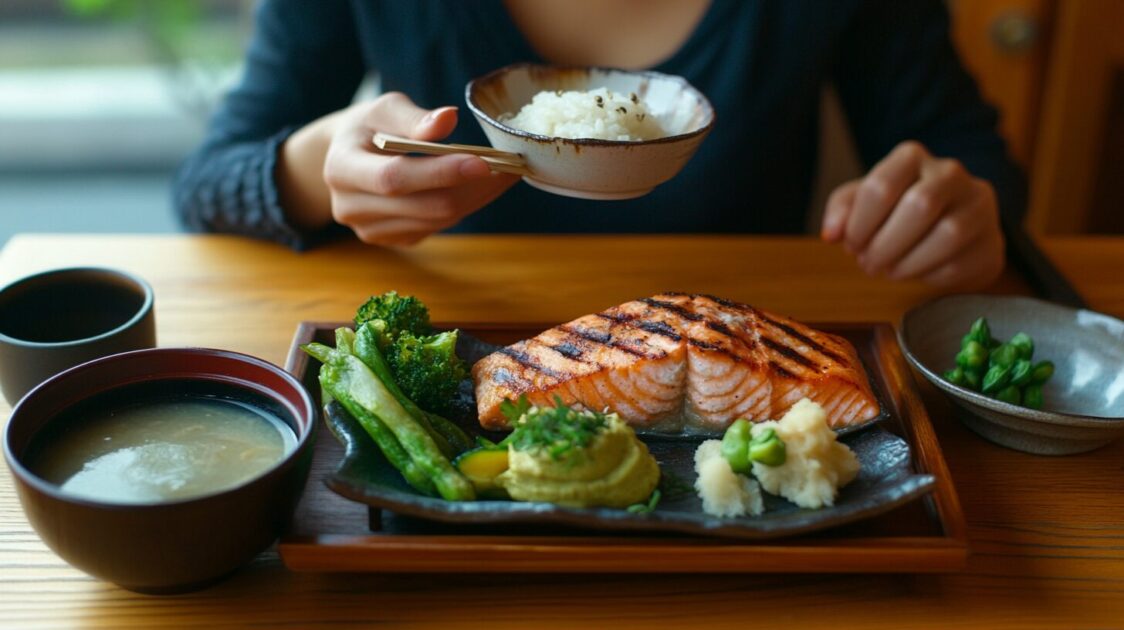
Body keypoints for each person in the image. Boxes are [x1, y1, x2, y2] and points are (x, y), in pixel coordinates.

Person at [173, 0, 1025, 290]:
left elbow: (974, 162)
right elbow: (208, 184)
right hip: (458, 377)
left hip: (745, 382)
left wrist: (960, 212)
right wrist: (320, 165)